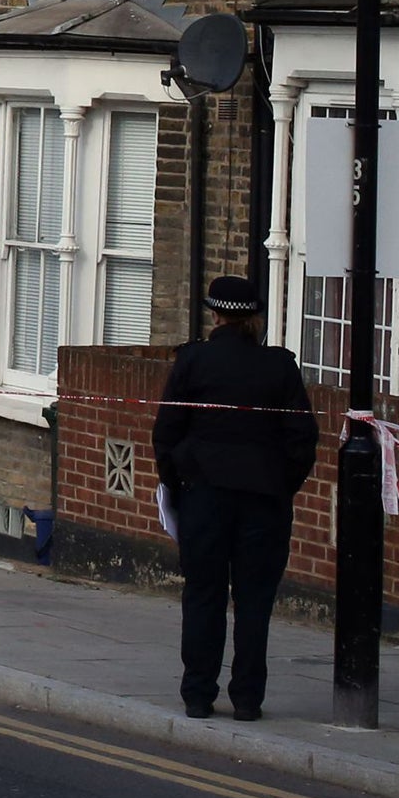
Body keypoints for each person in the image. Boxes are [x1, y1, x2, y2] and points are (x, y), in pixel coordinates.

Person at [152, 275, 318, 722]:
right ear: (255, 319)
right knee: (254, 599)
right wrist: (282, 485)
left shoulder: (193, 362)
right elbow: (303, 439)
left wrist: (178, 482)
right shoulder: (280, 367)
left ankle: (197, 695)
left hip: (204, 495)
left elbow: (166, 433)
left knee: (203, 593)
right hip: (264, 500)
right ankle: (247, 699)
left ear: (215, 315)